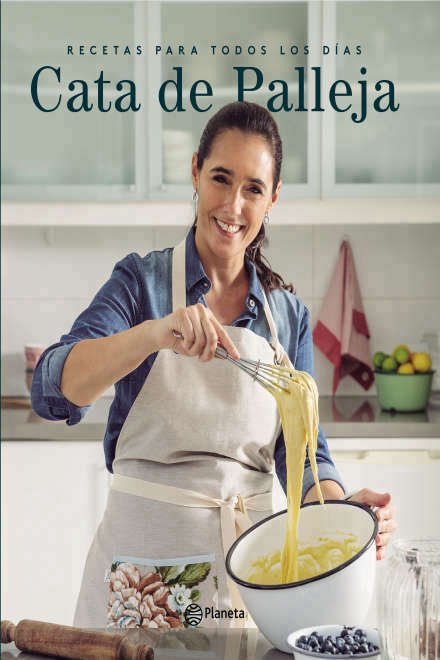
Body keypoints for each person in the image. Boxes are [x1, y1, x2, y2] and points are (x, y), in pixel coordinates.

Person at [31, 101, 396, 630]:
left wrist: (344, 512)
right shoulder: (141, 284)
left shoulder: (286, 316)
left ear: (273, 198)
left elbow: (303, 459)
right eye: (221, 178)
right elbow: (53, 390)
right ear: (196, 172)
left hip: (248, 581)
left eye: (253, 188)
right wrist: (156, 333)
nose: (233, 204)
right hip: (142, 579)